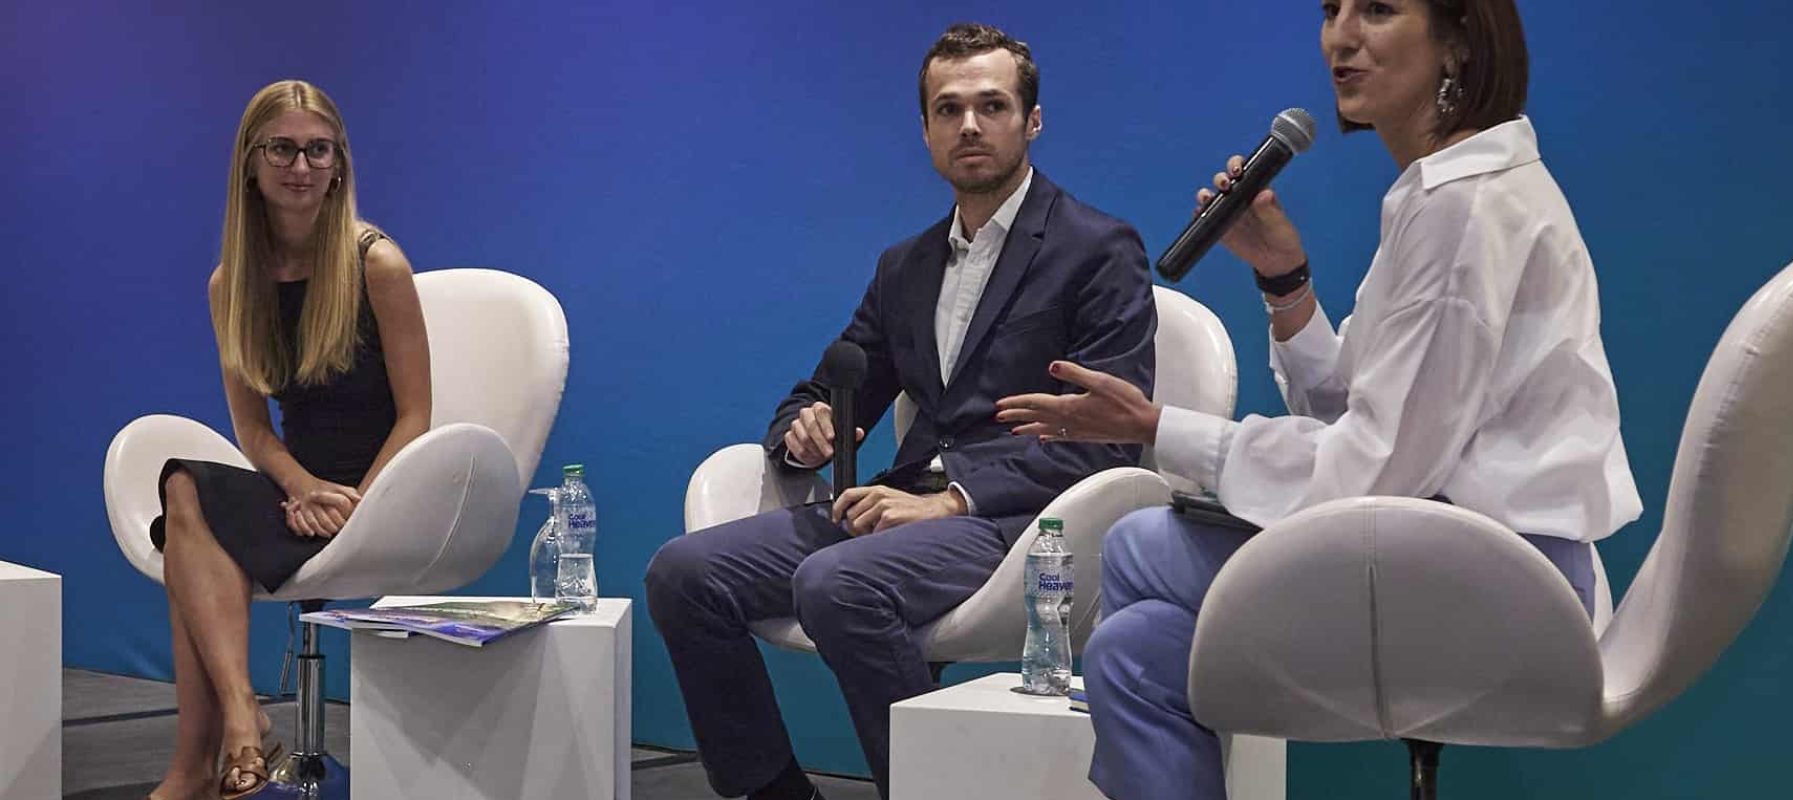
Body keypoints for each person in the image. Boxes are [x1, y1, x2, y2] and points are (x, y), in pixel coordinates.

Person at [995, 1, 1643, 797]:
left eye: (1377, 9)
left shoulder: (1465, 207)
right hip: (1453, 551)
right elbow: (1361, 417)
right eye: (1332, 9)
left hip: (1497, 579)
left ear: (1460, 40)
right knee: (1133, 650)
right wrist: (1284, 280)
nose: (1342, 35)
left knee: (1137, 549)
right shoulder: (1442, 193)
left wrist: (1160, 426)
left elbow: (1374, 466)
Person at [642, 22, 1157, 800]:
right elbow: (827, 387)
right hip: (903, 508)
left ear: (1033, 121)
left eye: (992, 105)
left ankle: (927, 789)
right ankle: (773, 792)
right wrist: (805, 433)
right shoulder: (907, 266)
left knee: (837, 584)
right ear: (925, 130)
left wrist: (950, 500)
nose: (970, 126)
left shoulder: (1097, 250)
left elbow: (1107, 441)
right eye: (948, 110)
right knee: (684, 573)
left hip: (1024, 523)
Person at [145, 79, 430, 800]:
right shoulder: (230, 285)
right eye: (282, 149)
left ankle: (199, 766)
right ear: (251, 162)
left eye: (317, 150)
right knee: (184, 489)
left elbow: (417, 416)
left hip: (378, 490)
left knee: (189, 531)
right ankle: (241, 721)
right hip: (294, 491)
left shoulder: (377, 264)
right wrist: (300, 487)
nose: (300, 167)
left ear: (339, 164)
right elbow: (250, 429)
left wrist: (354, 500)